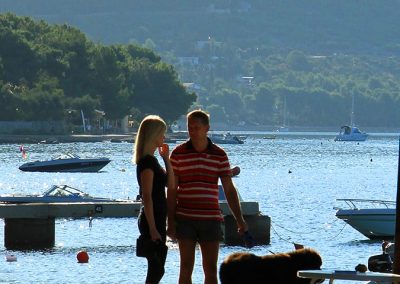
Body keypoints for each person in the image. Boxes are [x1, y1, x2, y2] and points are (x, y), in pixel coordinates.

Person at [167, 109, 248, 284]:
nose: (193, 131)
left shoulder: (219, 154)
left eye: (197, 127)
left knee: (210, 269)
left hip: (211, 218)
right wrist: (170, 220)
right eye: (190, 127)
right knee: (185, 267)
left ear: (207, 129)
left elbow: (229, 189)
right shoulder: (178, 153)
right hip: (185, 217)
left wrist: (239, 220)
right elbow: (172, 189)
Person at [133, 115, 174, 284]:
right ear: (154, 134)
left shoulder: (154, 161)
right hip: (152, 219)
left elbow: (171, 185)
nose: (164, 137)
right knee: (156, 269)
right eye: (162, 134)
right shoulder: (147, 163)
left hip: (157, 217)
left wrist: (166, 159)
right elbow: (147, 197)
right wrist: (152, 229)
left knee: (158, 268)